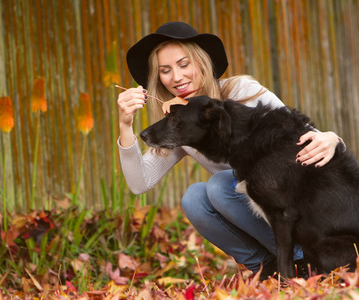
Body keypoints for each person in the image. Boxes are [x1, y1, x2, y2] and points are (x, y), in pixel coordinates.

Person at [116, 21, 344, 278]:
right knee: (195, 198)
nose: (177, 77)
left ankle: (303, 257)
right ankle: (268, 268)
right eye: (165, 70)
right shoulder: (181, 123)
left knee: (222, 184)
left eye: (183, 64)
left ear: (201, 61)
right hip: (264, 212)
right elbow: (139, 182)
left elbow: (301, 134)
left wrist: (333, 138)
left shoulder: (242, 91)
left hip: (297, 210)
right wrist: (125, 125)